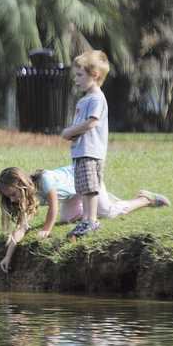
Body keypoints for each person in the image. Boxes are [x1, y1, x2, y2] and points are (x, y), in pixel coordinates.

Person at [0, 166, 170, 273]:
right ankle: (95, 206)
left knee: (109, 212)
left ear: (23, 184)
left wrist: (46, 230)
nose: (12, 199)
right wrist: (7, 256)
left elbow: (53, 208)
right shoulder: (25, 197)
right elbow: (22, 227)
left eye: (13, 194)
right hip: (73, 194)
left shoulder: (44, 180)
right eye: (8, 197)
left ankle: (145, 198)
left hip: (86, 179)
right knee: (68, 218)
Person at [60, 50, 110, 239]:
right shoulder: (85, 99)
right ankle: (86, 220)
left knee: (90, 187)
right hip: (81, 151)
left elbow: (91, 123)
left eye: (80, 75)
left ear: (95, 75)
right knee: (83, 187)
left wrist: (70, 131)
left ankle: (91, 220)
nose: (76, 79)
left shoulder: (96, 98)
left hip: (91, 151)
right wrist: (73, 135)